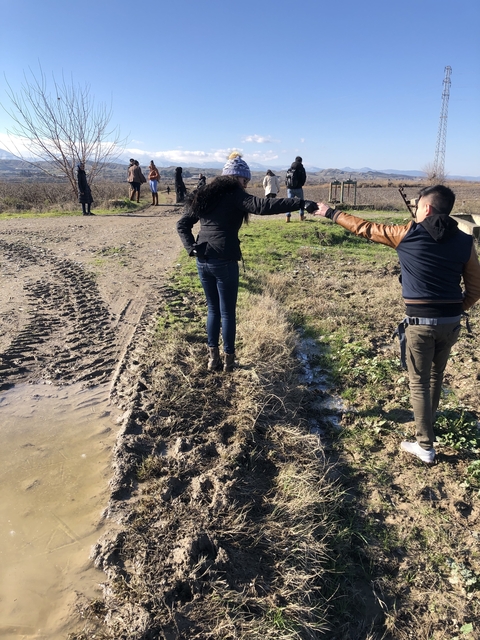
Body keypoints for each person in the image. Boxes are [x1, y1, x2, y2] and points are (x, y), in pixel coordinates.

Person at [315, 185, 480, 464]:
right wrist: (453, 310)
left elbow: (366, 228)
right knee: (436, 376)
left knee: (419, 382)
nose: (415, 211)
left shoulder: (407, 234)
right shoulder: (465, 242)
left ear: (426, 208)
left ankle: (425, 446)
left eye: (418, 207)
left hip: (420, 324)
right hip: (451, 323)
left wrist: (330, 212)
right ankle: (429, 424)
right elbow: (475, 289)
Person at [176, 151, 317, 372]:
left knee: (212, 309)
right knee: (227, 312)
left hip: (203, 260)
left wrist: (191, 248)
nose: (246, 184)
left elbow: (182, 224)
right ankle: (229, 361)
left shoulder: (205, 195)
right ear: (236, 177)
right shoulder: (235, 194)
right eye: (245, 179)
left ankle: (213, 359)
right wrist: (300, 202)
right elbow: (264, 206)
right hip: (224, 260)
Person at [285, 156, 307, 222]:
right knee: (301, 202)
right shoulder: (301, 169)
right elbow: (304, 178)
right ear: (301, 161)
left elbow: (286, 178)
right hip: (298, 188)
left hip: (290, 188)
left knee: (289, 203)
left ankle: (287, 217)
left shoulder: (290, 168)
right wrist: (301, 184)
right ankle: (301, 216)